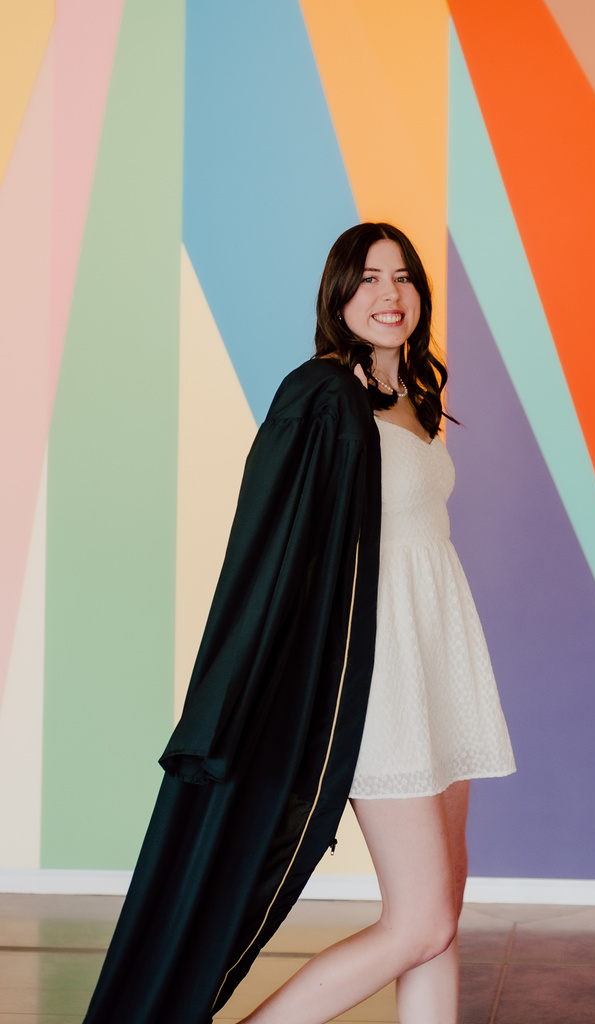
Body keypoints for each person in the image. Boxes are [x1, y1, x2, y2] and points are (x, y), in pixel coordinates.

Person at [81, 223, 514, 1024]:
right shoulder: (323, 394)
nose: (389, 295)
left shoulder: (419, 396)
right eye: (369, 279)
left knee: (442, 918)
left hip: (439, 664)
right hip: (379, 677)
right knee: (417, 921)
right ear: (339, 297)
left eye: (403, 277)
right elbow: (273, 542)